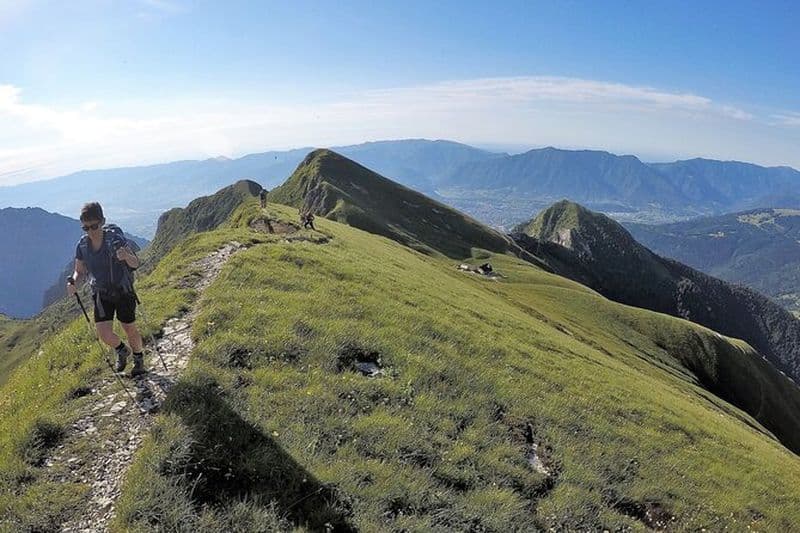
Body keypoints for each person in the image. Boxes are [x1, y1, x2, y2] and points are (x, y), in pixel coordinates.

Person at [67, 202, 145, 377]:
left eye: (93, 226)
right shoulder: (83, 246)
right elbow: (79, 271)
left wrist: (126, 256)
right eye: (85, 228)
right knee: (104, 333)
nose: (90, 231)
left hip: (123, 290)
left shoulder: (115, 240)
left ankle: (139, 359)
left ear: (102, 221)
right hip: (101, 293)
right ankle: (122, 350)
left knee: (129, 328)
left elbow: (135, 263)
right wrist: (73, 282)